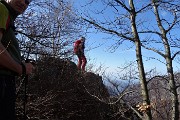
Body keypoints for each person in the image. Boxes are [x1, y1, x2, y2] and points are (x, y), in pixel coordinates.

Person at [0, 0, 34, 119]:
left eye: (27, 2)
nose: (24, 3)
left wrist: (19, 63)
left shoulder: (7, 16)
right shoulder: (2, 8)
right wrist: (20, 68)